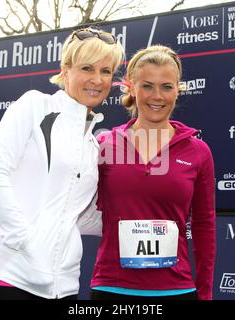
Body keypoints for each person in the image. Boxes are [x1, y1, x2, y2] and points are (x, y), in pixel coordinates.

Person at [0, 27, 124, 300]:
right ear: (66, 70)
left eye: (106, 71)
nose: (97, 80)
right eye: (87, 68)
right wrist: (25, 243)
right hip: (6, 275)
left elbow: (77, 215)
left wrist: (139, 214)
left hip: (62, 286)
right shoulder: (34, 106)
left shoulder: (91, 143)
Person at [90, 45, 216, 300]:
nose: (156, 96)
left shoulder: (198, 151)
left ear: (177, 90)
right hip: (112, 289)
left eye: (166, 87)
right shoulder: (104, 144)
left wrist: (204, 294)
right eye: (147, 86)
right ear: (131, 88)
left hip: (177, 289)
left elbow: (204, 226)